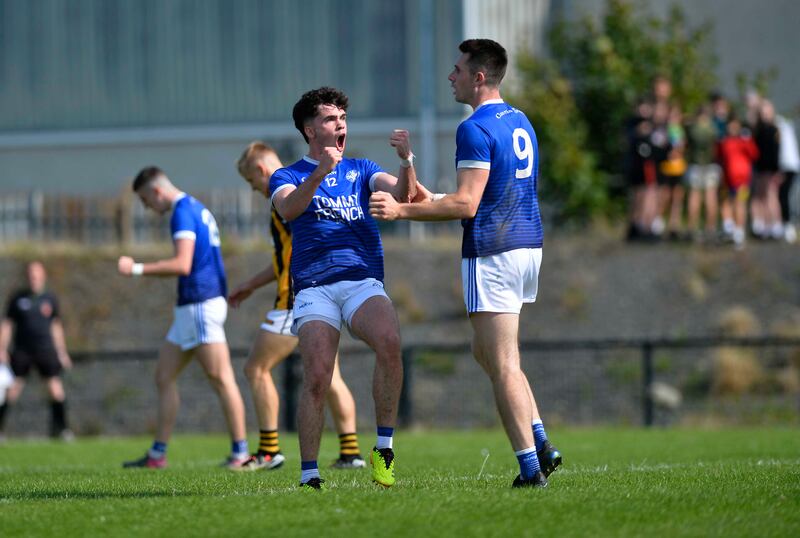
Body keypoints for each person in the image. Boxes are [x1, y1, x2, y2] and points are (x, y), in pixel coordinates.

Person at [369, 39, 561, 488]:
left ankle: (532, 468)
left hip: (492, 251)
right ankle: (541, 441)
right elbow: (488, 194)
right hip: (527, 245)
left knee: (504, 362)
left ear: (479, 76)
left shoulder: (473, 127)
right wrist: (430, 195)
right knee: (488, 352)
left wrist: (402, 212)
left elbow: (468, 204)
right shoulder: (520, 120)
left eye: (457, 69)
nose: (451, 76)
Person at [270, 87, 423, 490]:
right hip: (314, 288)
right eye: (330, 119)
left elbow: (404, 194)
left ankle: (383, 449)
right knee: (318, 377)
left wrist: (407, 160)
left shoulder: (361, 168)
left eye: (343, 119)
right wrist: (320, 171)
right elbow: (288, 209)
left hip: (360, 280)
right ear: (309, 129)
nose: (340, 125)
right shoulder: (286, 175)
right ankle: (309, 474)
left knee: (390, 341)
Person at [229, 141, 365, 471]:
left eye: (251, 182)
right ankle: (351, 453)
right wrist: (249, 284)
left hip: (295, 298)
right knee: (330, 376)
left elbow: (297, 253)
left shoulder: (284, 195)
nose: (256, 189)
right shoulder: (302, 185)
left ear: (261, 170)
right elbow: (289, 254)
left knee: (255, 368)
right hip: (324, 290)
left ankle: (268, 450)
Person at [118, 166, 249, 469]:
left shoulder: (182, 212)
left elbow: (182, 264)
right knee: (164, 376)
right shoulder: (195, 207)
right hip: (191, 307)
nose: (147, 207)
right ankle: (157, 455)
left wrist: (135, 268)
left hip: (201, 305)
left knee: (221, 378)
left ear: (156, 191)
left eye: (145, 200)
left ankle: (241, 453)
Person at [0, 261, 74, 441]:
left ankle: (62, 430)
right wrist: (2, 348)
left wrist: (62, 352)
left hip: (45, 350)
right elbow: (7, 325)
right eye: (30, 275)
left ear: (43, 276)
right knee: (12, 390)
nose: (33, 278)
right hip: (22, 351)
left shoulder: (50, 298)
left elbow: (56, 326)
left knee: (55, 390)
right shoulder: (18, 299)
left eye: (36, 274)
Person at [718, 116, 759, 249]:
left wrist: (747, 141)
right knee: (725, 202)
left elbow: (754, 155)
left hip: (742, 179)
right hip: (727, 179)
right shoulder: (725, 142)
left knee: (740, 204)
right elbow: (719, 157)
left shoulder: (744, 141)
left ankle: (739, 232)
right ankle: (728, 227)